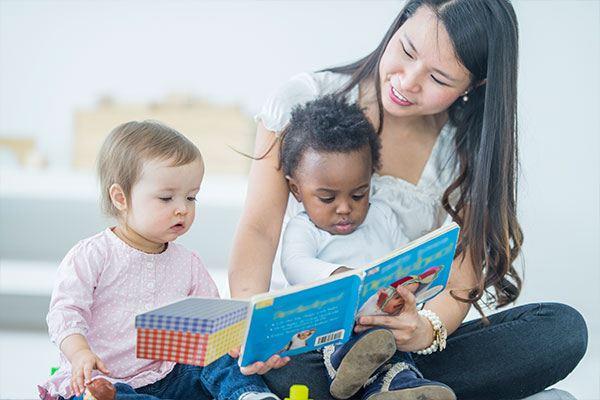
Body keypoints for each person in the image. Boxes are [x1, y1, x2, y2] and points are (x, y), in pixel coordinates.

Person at [227, 1, 588, 399]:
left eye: (437, 77)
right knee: (290, 374)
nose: (407, 81)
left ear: (474, 85)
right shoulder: (304, 99)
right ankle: (397, 389)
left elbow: (459, 283)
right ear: (397, 26)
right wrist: (250, 324)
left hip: (402, 344)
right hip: (309, 346)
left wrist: (423, 330)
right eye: (407, 51)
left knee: (561, 328)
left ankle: (395, 385)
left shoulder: (465, 150)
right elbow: (260, 228)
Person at [38, 121, 279, 400]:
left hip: (170, 375)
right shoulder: (92, 255)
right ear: (120, 198)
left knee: (217, 359)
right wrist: (80, 353)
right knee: (98, 395)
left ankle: (246, 394)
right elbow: (64, 314)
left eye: (191, 197)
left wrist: (236, 340)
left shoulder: (188, 263)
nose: (182, 209)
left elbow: (213, 325)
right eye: (166, 198)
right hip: (106, 380)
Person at [278, 95, 455, 400]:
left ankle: (395, 389)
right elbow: (295, 264)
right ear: (296, 189)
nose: (345, 208)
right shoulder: (305, 228)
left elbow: (403, 260)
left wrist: (410, 288)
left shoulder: (382, 216)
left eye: (358, 195)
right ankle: (345, 363)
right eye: (327, 198)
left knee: (391, 347)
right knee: (356, 336)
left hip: (383, 323)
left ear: (370, 180)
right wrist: (342, 275)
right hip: (330, 331)